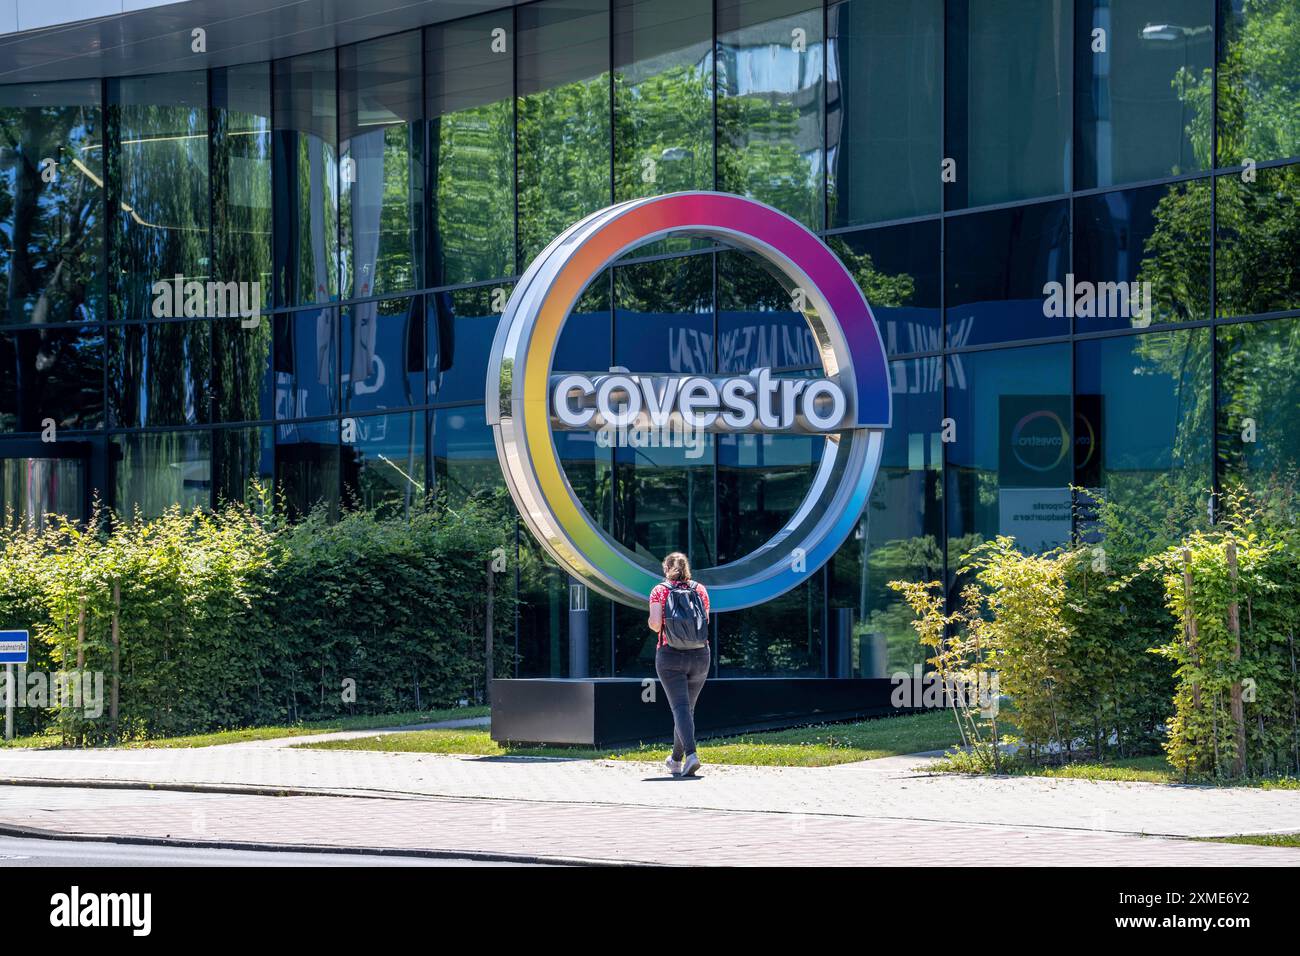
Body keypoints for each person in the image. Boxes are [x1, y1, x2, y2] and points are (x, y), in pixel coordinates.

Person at [648, 552, 711, 777]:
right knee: (686, 710)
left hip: (670, 655)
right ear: (687, 568)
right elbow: (706, 620)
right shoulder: (700, 589)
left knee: (680, 709)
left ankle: (692, 754)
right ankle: (675, 760)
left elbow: (656, 625)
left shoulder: (660, 591)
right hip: (700, 654)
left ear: (666, 568)